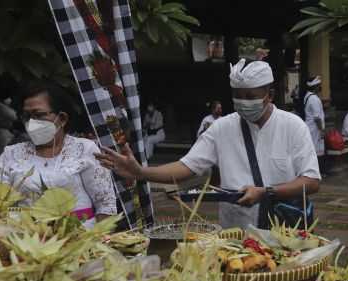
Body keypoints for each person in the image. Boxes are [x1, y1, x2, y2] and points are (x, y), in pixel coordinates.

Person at [95, 59, 320, 229]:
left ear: (269, 95)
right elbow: (186, 167)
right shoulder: (222, 128)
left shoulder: (293, 126)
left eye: (250, 96)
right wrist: (141, 172)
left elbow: (310, 182)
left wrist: (265, 192)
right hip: (236, 232)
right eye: (237, 95)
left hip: (283, 230)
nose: (243, 102)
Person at [0, 84, 116, 227]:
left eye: (39, 114)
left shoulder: (84, 149)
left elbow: (105, 207)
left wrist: (98, 243)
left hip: (79, 241)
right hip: (25, 242)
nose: (32, 123)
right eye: (27, 117)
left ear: (62, 118)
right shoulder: (11, 154)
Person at [304, 76, 328, 176]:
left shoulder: (308, 96)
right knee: (316, 150)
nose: (320, 87)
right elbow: (317, 117)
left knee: (314, 149)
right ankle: (316, 172)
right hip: (315, 128)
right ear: (316, 86)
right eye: (319, 85)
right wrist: (321, 130)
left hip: (311, 127)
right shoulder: (314, 99)